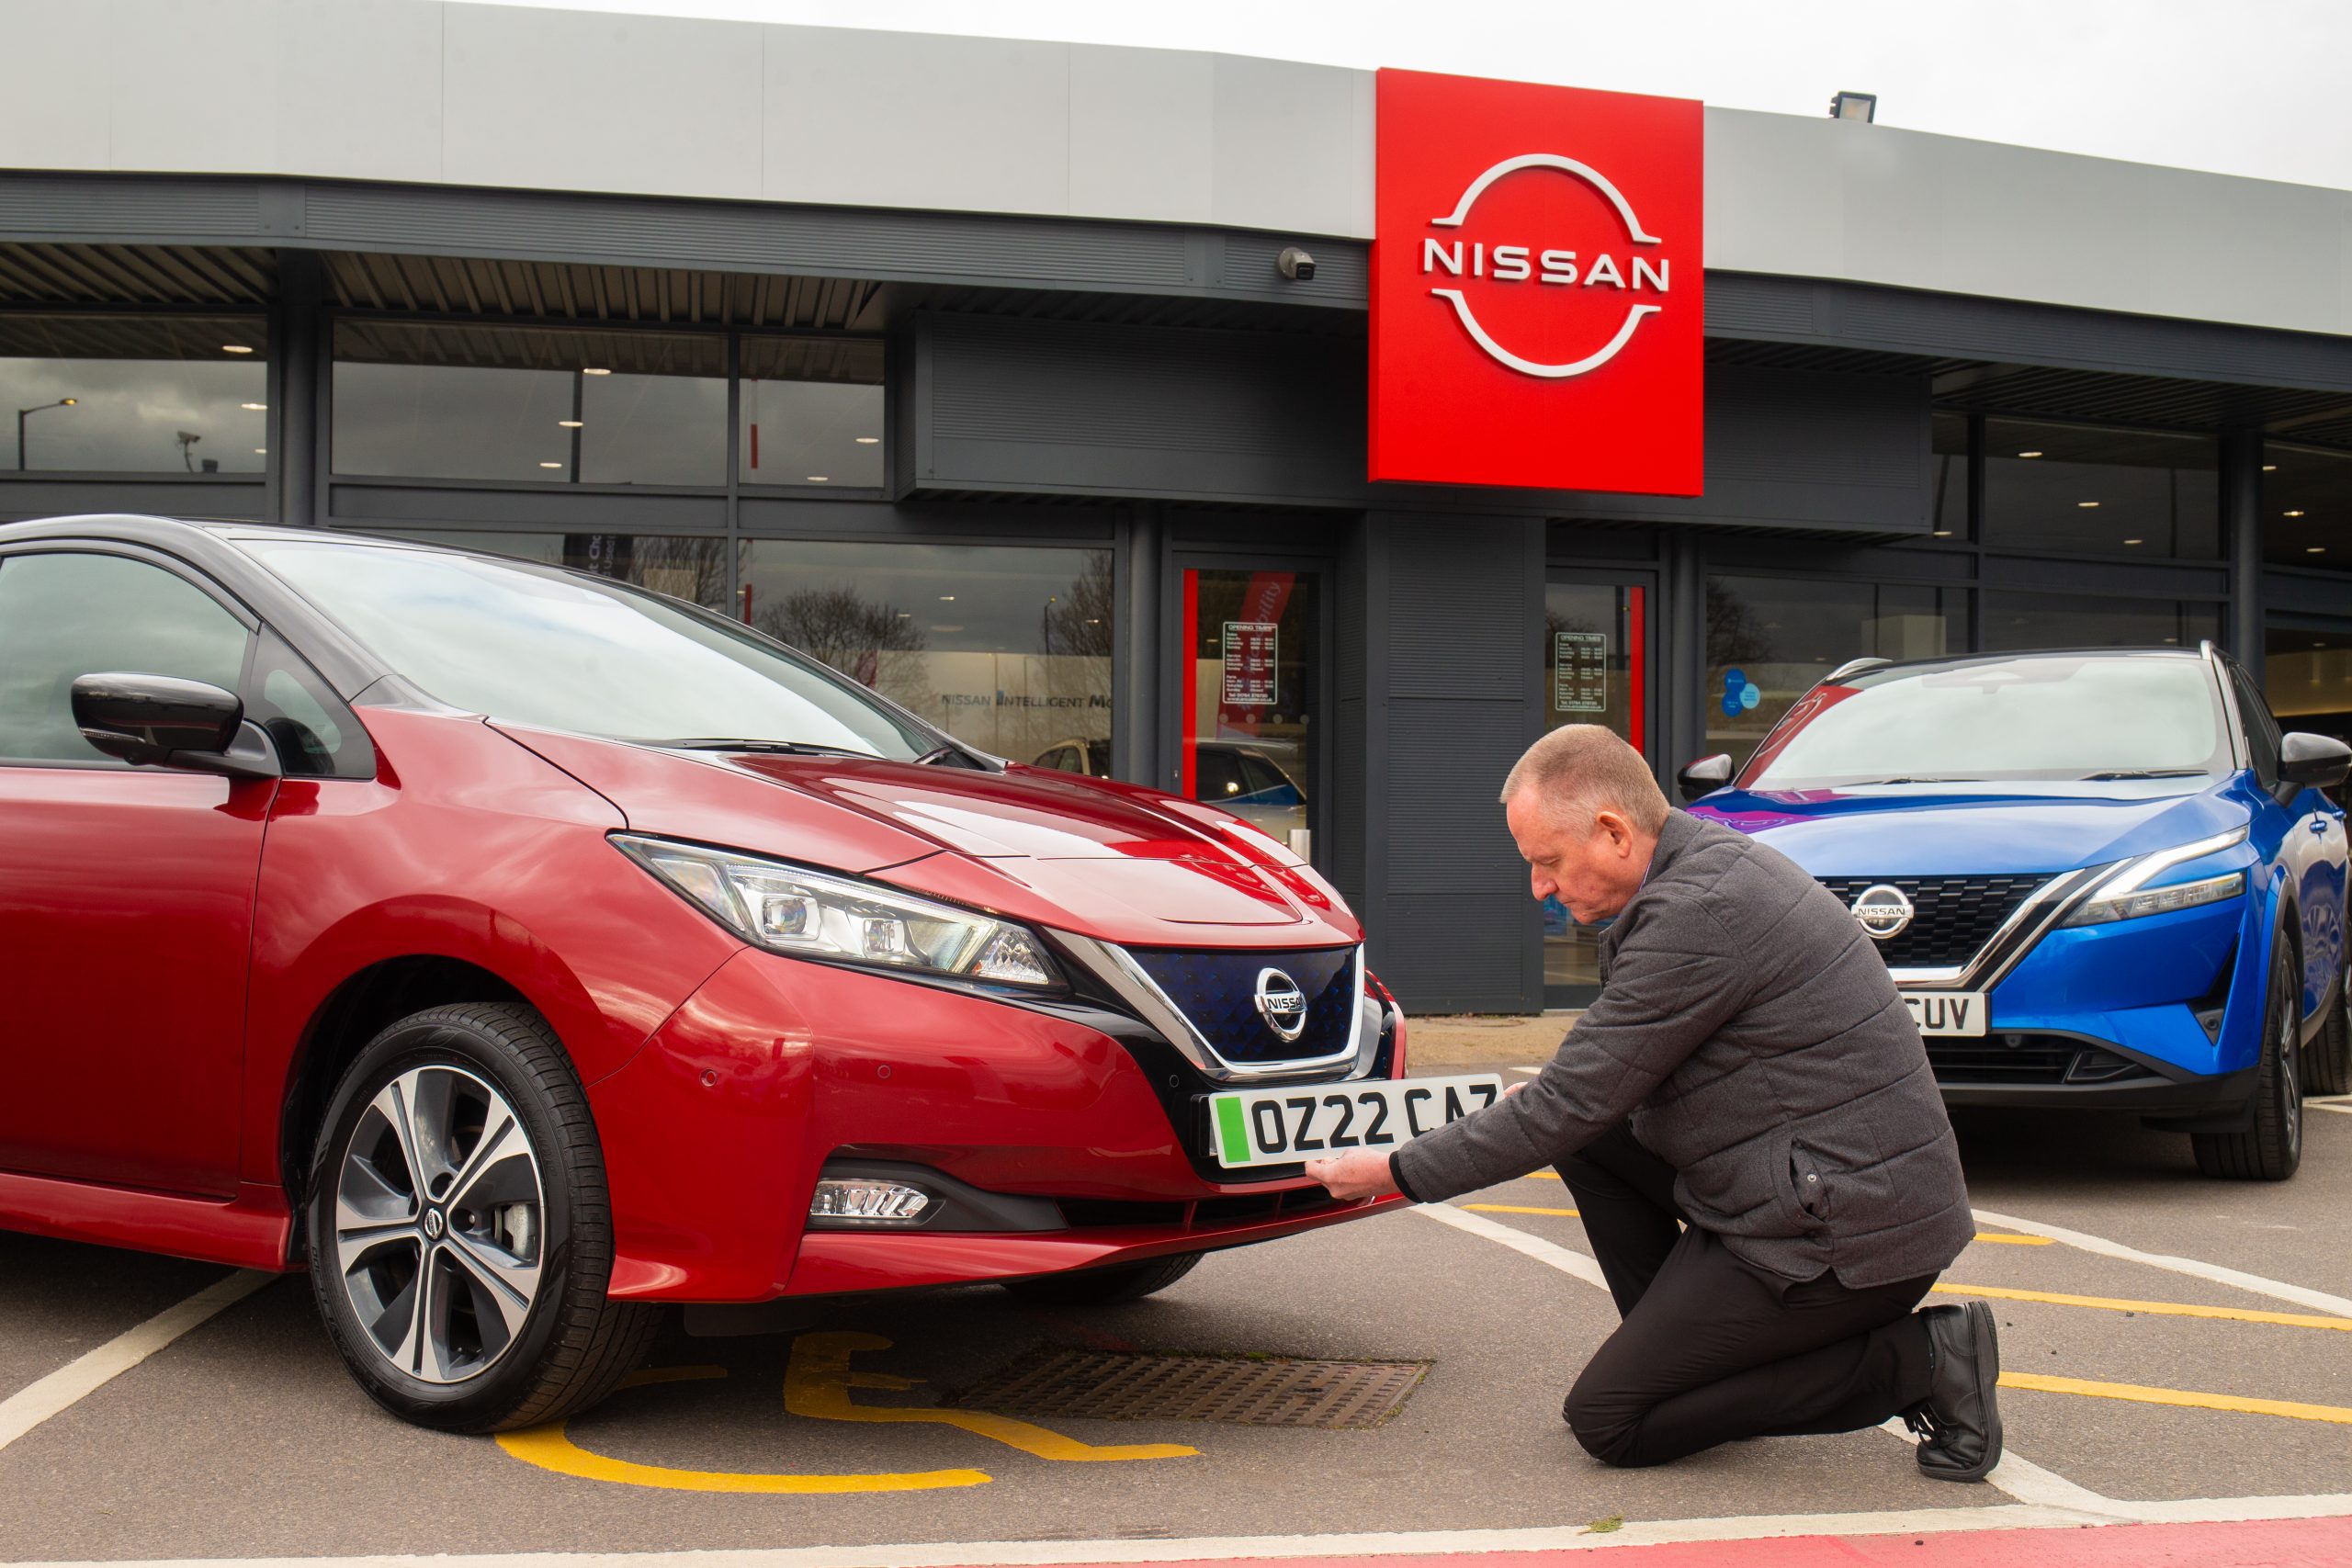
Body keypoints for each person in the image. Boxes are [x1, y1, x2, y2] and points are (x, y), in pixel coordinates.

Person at [1306, 725, 2001, 1481]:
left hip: (1844, 1239)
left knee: (1612, 1421)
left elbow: (1564, 1103)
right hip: (1806, 1188)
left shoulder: (1699, 916)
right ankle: (1694, 1368)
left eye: (1547, 861)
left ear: (1612, 832)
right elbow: (1591, 1097)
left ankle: (1923, 1358)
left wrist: (1393, 1169)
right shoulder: (1698, 873)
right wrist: (1552, 1105)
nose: (1539, 887)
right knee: (1585, 1133)